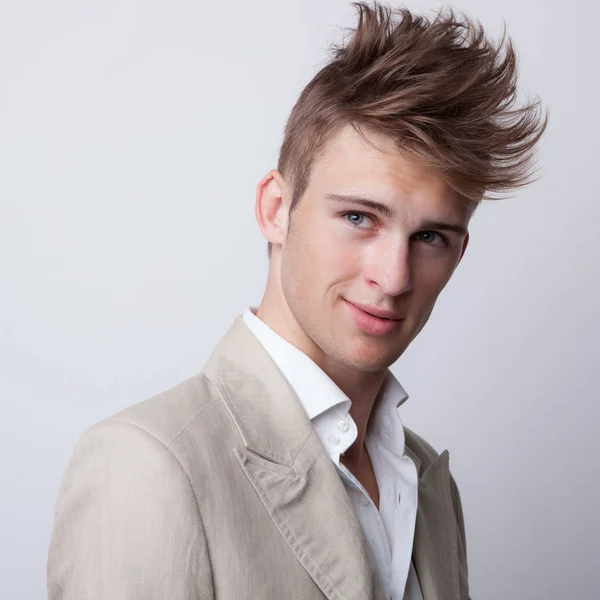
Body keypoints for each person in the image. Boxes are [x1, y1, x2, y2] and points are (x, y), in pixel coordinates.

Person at [47, 3, 546, 599]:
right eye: (359, 217)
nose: (392, 277)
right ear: (274, 210)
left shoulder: (427, 480)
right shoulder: (147, 464)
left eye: (430, 237)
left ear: (458, 255)